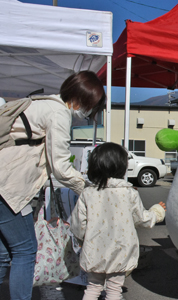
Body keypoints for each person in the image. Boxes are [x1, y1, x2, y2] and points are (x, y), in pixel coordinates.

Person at [0, 70, 106, 300]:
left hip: (4, 183)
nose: (89, 112)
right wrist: (87, 189)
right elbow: (60, 166)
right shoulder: (59, 112)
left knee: (3, 254)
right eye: (91, 105)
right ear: (81, 99)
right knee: (25, 250)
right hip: (6, 187)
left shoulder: (44, 102)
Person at [70, 142, 166, 300]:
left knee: (93, 288)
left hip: (94, 250)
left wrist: (82, 240)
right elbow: (143, 219)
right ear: (121, 167)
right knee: (114, 290)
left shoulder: (87, 193)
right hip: (120, 251)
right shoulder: (129, 193)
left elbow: (78, 225)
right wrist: (157, 211)